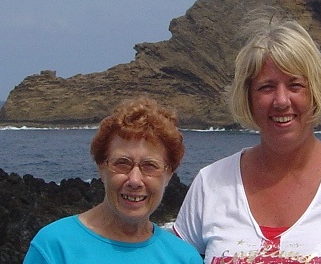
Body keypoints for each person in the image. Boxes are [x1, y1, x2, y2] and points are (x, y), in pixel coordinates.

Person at [173, 8, 321, 264]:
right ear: (248, 98)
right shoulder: (210, 184)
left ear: (315, 91)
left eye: (295, 85)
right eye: (266, 87)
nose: (281, 100)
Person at [23, 97, 203, 264]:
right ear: (101, 168)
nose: (134, 180)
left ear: (169, 174)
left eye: (149, 166)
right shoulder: (54, 247)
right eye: (122, 164)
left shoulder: (184, 258)